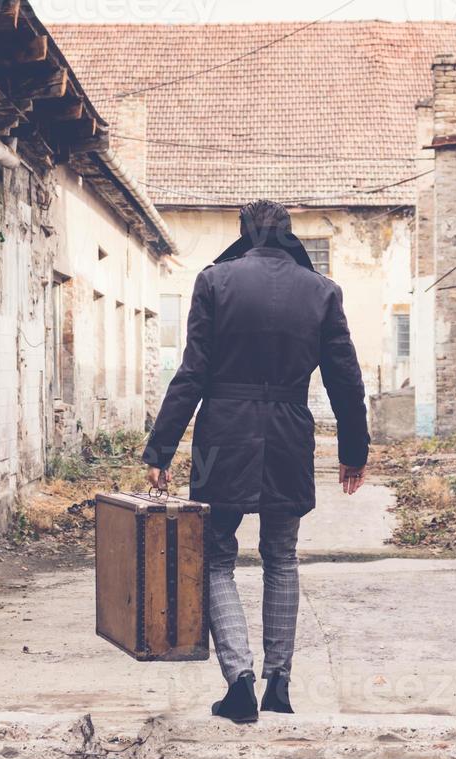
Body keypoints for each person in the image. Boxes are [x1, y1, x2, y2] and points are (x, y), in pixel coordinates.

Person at [143, 200, 369, 723]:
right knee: (281, 556)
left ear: (243, 232)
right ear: (290, 234)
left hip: (222, 434)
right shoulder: (322, 292)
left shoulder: (215, 281)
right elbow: (345, 378)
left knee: (217, 556)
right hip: (289, 432)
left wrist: (161, 449)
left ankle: (239, 679)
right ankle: (280, 684)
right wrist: (353, 450)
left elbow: (192, 372)